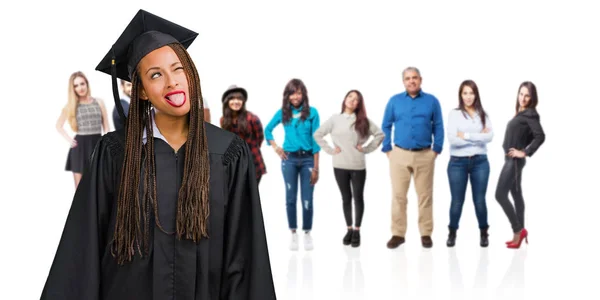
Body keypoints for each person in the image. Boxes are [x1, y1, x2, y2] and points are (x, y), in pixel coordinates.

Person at [40, 9, 276, 299]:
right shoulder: (115, 153)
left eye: (179, 69)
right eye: (155, 74)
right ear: (140, 91)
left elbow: (246, 255)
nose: (173, 82)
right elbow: (82, 251)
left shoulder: (228, 153)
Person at [381, 67, 444, 249]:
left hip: (425, 155)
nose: (411, 81)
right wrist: (388, 150)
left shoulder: (432, 101)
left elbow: (438, 126)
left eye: (414, 78)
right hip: (399, 154)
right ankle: (398, 234)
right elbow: (386, 125)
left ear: (421, 79)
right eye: (408, 78)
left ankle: (425, 233)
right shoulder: (394, 101)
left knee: (425, 196)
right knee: (398, 196)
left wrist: (436, 150)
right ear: (403, 81)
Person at [313, 90, 384, 247]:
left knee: (358, 198)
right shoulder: (335, 119)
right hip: (339, 165)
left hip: (358, 165)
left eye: (356, 99)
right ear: (345, 99)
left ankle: (357, 230)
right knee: (346, 198)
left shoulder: (363, 120)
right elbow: (317, 134)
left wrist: (365, 149)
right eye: (350, 97)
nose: (352, 100)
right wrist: (331, 150)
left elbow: (380, 135)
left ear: (359, 104)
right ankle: (349, 229)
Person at [265, 78, 321, 251]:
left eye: (298, 92)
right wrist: (276, 148)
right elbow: (267, 130)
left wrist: (316, 168)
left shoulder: (312, 112)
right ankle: (293, 233)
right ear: (287, 96)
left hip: (308, 160)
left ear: (303, 93)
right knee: (290, 198)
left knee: (307, 199)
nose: (295, 96)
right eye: (292, 93)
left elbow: (316, 140)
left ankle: (307, 232)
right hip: (288, 159)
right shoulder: (283, 113)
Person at [495, 81, 545, 249]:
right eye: (521, 94)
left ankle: (518, 230)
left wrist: (524, 152)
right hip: (510, 160)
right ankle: (519, 234)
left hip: (514, 161)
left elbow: (540, 136)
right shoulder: (521, 113)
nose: (523, 98)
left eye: (527, 95)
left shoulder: (530, 114)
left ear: (532, 98)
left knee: (500, 195)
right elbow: (529, 135)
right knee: (516, 194)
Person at [445, 80, 494, 248]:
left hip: (480, 162)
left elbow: (489, 137)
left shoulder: (483, 114)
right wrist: (477, 135)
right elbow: (452, 139)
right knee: (457, 201)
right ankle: (452, 232)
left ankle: (484, 232)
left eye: (471, 93)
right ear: (460, 95)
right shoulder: (454, 114)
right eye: (465, 93)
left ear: (476, 94)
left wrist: (465, 135)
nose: (468, 97)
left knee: (479, 200)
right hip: (457, 162)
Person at [56, 71, 109, 188]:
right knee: (80, 189)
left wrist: (107, 143)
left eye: (82, 83)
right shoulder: (71, 105)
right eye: (76, 85)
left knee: (99, 186)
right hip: (80, 148)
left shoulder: (99, 102)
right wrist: (69, 140)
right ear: (73, 89)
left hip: (97, 145)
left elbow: (106, 125)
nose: (80, 88)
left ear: (87, 84)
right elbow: (58, 125)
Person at [220, 84, 267, 184]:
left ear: (243, 101)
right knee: (236, 197)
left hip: (253, 162)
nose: (236, 102)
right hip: (234, 163)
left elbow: (260, 138)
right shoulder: (223, 120)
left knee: (251, 197)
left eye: (239, 99)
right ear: (227, 101)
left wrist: (248, 151)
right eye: (232, 99)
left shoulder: (252, 119)